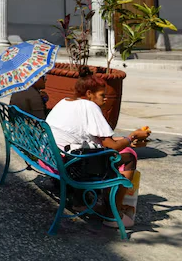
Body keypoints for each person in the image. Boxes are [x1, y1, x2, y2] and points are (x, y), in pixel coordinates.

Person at [46, 66, 151, 228]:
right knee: (128, 157)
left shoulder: (64, 102)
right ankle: (112, 214)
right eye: (102, 95)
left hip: (51, 156)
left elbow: (93, 138)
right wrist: (132, 137)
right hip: (72, 165)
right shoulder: (89, 107)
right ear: (89, 94)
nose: (106, 99)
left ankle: (80, 202)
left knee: (95, 153)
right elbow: (112, 146)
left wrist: (126, 139)